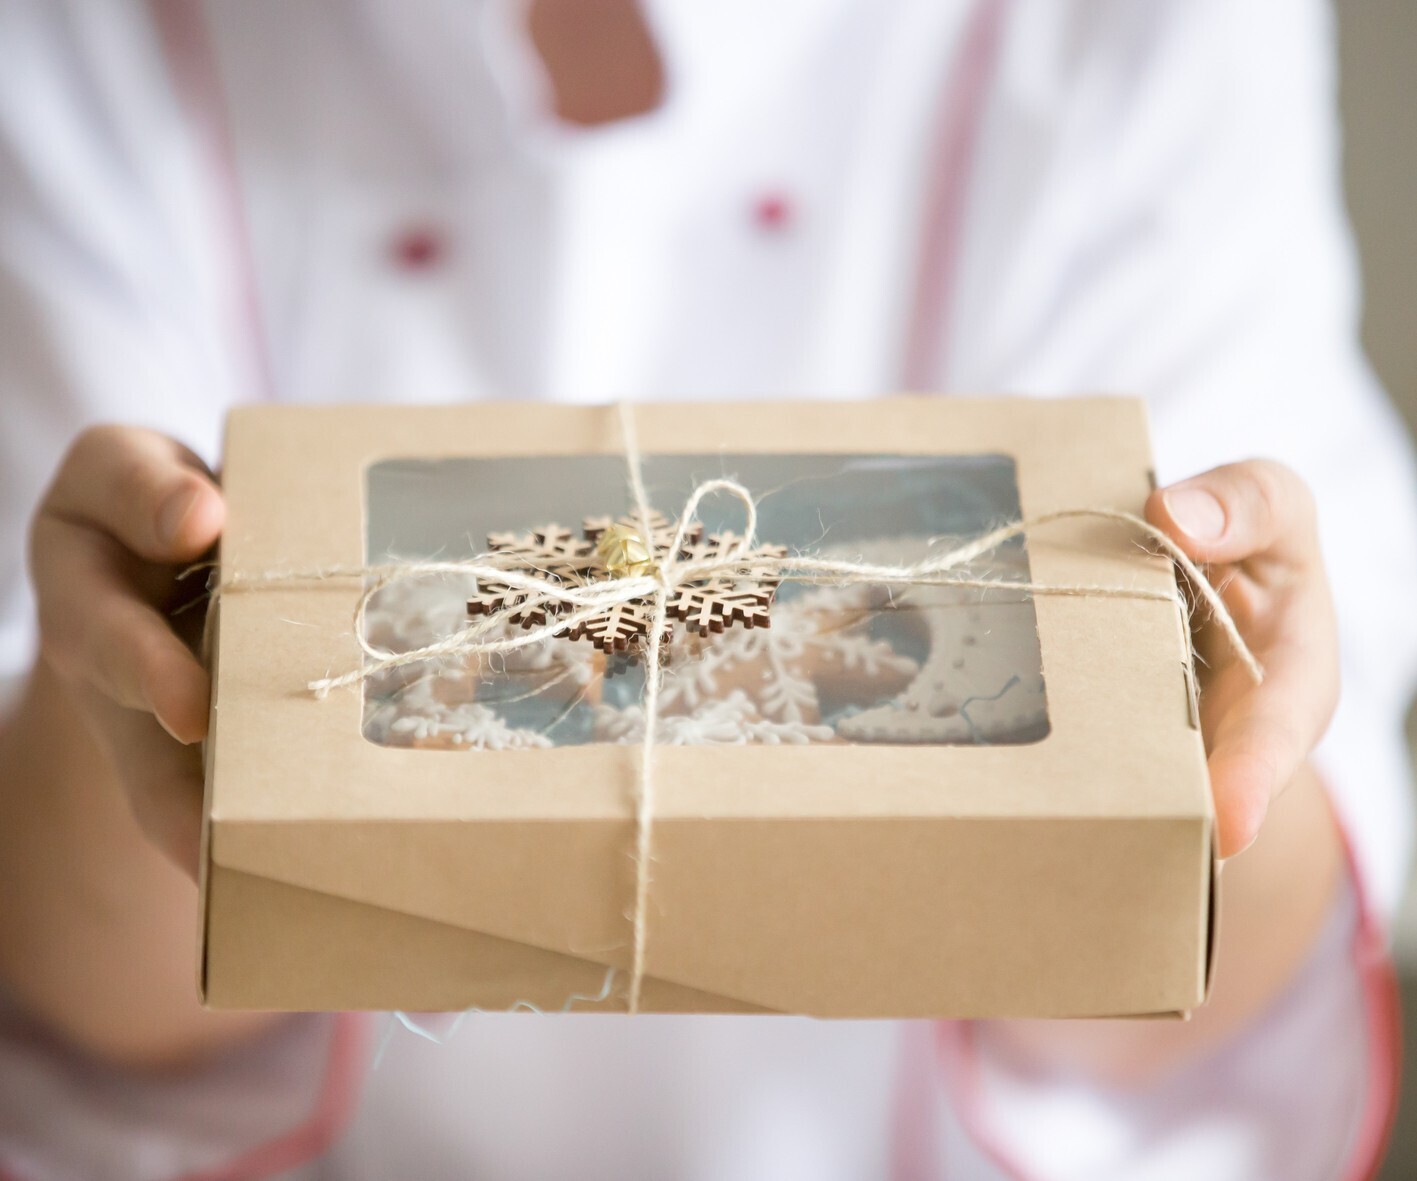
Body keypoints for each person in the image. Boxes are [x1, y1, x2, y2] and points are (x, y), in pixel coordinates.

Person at [1, 1, 1414, 1178]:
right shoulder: (76, 39)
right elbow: (89, 1002)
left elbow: (1190, 960)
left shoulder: (1143, 28)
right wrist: (128, 681)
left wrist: (1233, 740)